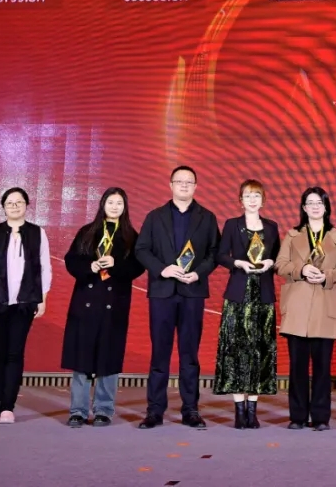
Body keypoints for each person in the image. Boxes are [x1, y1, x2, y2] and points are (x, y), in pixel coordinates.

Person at [134, 165, 220, 429]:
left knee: (189, 354)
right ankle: (154, 411)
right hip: (162, 291)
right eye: (179, 181)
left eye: (189, 182)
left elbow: (214, 253)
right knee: (159, 353)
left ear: (196, 186)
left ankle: (190, 410)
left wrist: (198, 273)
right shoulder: (155, 216)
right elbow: (141, 249)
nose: (184, 185)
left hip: (192, 292)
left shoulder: (207, 217)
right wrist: (162, 269)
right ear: (170, 185)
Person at [60, 187, 145, 427]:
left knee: (109, 358)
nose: (115, 207)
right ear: (103, 204)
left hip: (114, 303)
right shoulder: (87, 231)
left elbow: (138, 267)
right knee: (82, 358)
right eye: (111, 202)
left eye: (119, 203)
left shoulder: (131, 236)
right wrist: (91, 266)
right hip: (85, 303)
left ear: (125, 207)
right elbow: (71, 260)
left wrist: (116, 265)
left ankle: (103, 410)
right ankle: (78, 410)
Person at [0, 187, 52, 425]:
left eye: (19, 202)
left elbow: (45, 268)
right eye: (10, 203)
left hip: (24, 303)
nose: (14, 206)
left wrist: (43, 299)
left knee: (15, 354)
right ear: (3, 207)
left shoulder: (37, 233)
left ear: (26, 205)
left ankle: (7, 407)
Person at [276, 186, 336, 431]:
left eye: (319, 202)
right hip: (297, 305)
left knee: (322, 368)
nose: (315, 206)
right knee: (297, 367)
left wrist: (327, 275)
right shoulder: (292, 236)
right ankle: (297, 416)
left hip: (323, 305)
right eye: (310, 202)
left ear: (326, 207)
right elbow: (280, 264)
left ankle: (320, 417)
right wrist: (301, 270)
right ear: (304, 208)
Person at [213, 180, 280, 429]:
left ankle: (253, 410)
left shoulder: (272, 227)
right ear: (240, 200)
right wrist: (238, 263)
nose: (252, 200)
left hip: (263, 295)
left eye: (257, 195)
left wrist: (270, 262)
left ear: (263, 200)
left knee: (259, 350)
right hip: (238, 294)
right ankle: (239, 410)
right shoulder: (232, 224)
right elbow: (220, 255)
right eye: (248, 196)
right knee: (235, 350)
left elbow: (278, 256)